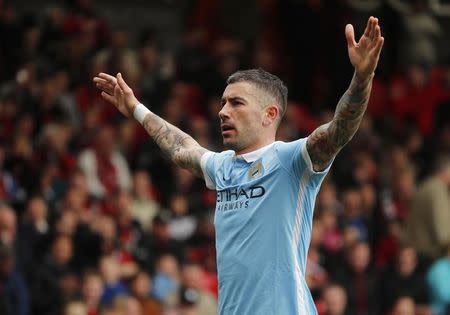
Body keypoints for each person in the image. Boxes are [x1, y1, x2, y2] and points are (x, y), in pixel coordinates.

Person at [93, 16, 384, 315]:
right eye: (223, 103)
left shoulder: (291, 161)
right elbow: (182, 148)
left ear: (269, 115)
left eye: (236, 103)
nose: (222, 111)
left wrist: (362, 77)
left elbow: (339, 130)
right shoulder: (222, 168)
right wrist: (137, 109)